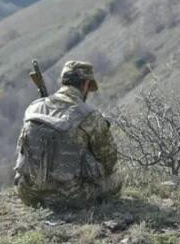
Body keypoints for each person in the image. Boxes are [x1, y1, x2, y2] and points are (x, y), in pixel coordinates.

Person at [14, 60, 121, 207]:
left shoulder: (33, 108)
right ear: (85, 85)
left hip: (27, 194)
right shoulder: (89, 115)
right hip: (70, 198)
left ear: (63, 82)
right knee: (115, 180)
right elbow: (109, 160)